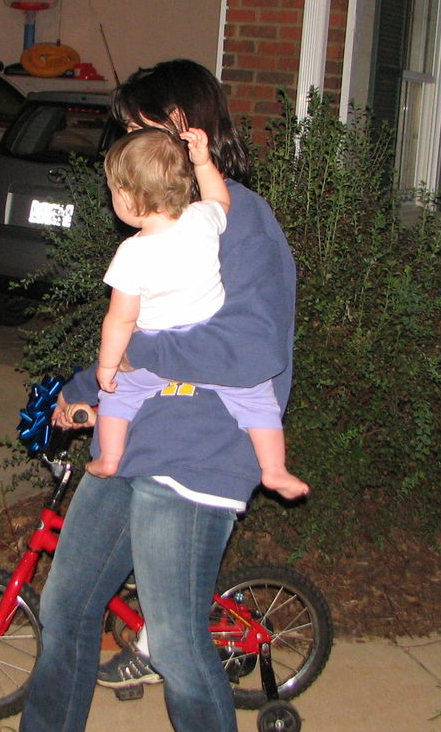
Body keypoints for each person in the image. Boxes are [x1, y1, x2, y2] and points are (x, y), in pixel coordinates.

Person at [0, 60, 298, 732]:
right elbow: (141, 324)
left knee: (172, 640)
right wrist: (82, 393)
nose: (121, 148)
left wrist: (139, 358)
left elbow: (253, 349)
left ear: (178, 126)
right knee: (69, 606)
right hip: (134, 444)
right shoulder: (163, 230)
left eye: (132, 129)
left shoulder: (239, 222)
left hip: (200, 451)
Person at [89, 124, 308, 503]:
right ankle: (275, 470)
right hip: (207, 347)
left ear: (125, 197)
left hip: (156, 351)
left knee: (118, 398)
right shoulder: (201, 220)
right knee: (258, 402)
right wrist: (204, 162)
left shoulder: (132, 253)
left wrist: (108, 367)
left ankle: (110, 458)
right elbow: (221, 200)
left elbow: (121, 319)